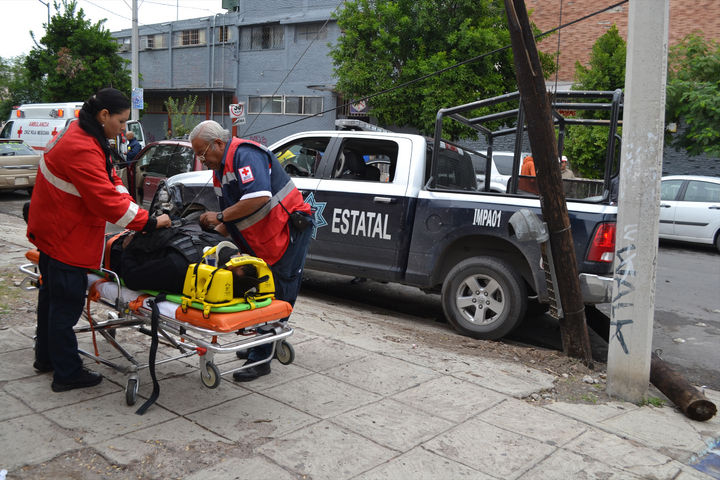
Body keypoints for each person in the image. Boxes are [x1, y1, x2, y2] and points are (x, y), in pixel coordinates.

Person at [27, 88, 171, 393]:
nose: (123, 128)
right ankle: (67, 373)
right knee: (65, 306)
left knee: (51, 301)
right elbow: (105, 200)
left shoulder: (82, 134)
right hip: (66, 239)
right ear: (104, 115)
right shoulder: (82, 146)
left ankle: (46, 358)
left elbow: (110, 179)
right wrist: (149, 222)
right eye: (121, 121)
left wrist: (129, 204)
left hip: (54, 233)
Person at [191, 120, 313, 382]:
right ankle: (262, 343)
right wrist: (213, 234)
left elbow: (258, 197)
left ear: (218, 143)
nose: (201, 160)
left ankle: (261, 358)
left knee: (278, 291)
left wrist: (219, 217)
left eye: (202, 154)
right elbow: (235, 214)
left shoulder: (245, 155)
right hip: (264, 237)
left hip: (287, 230)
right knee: (258, 290)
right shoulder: (220, 169)